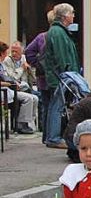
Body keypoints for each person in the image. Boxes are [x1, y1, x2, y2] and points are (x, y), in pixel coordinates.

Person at [43, 3, 80, 149]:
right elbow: (62, 57)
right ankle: (53, 137)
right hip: (61, 76)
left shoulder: (59, 31)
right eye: (72, 13)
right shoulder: (58, 32)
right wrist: (70, 75)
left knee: (56, 105)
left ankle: (52, 136)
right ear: (65, 16)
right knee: (57, 106)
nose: (73, 16)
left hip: (61, 75)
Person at [25, 10, 55, 139]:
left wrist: (37, 64)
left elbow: (28, 51)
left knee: (46, 105)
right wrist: (38, 64)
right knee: (53, 106)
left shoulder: (41, 37)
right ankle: (51, 134)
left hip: (42, 77)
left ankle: (45, 134)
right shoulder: (54, 36)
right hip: (52, 77)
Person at [0, 41, 38, 134]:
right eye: (11, 51)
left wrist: (29, 69)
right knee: (28, 98)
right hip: (11, 88)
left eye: (16, 51)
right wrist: (21, 69)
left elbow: (34, 78)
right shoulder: (6, 61)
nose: (13, 54)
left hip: (24, 87)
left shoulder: (26, 59)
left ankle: (27, 121)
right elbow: (11, 77)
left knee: (36, 98)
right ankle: (21, 124)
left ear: (22, 51)